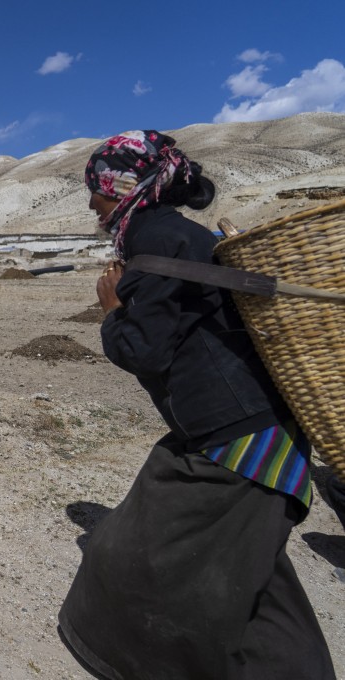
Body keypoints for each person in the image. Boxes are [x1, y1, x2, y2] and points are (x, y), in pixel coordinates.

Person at [57, 130, 335, 679]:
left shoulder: (157, 240)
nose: (91, 203)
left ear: (120, 189)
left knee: (135, 551)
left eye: (96, 191)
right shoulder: (171, 234)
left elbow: (147, 350)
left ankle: (126, 655)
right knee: (254, 578)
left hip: (239, 437)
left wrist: (112, 313)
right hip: (241, 423)